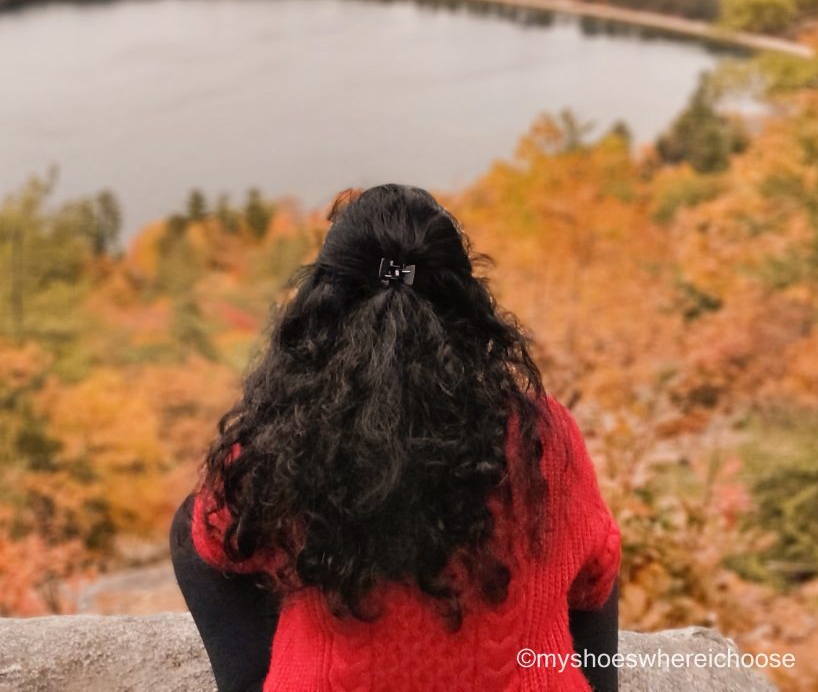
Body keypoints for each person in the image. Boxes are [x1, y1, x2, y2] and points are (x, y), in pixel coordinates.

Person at [170, 183, 620, 692]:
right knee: (592, 540)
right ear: (467, 307)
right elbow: (595, 578)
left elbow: (207, 538)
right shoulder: (547, 434)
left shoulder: (282, 438)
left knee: (195, 520)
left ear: (322, 306)